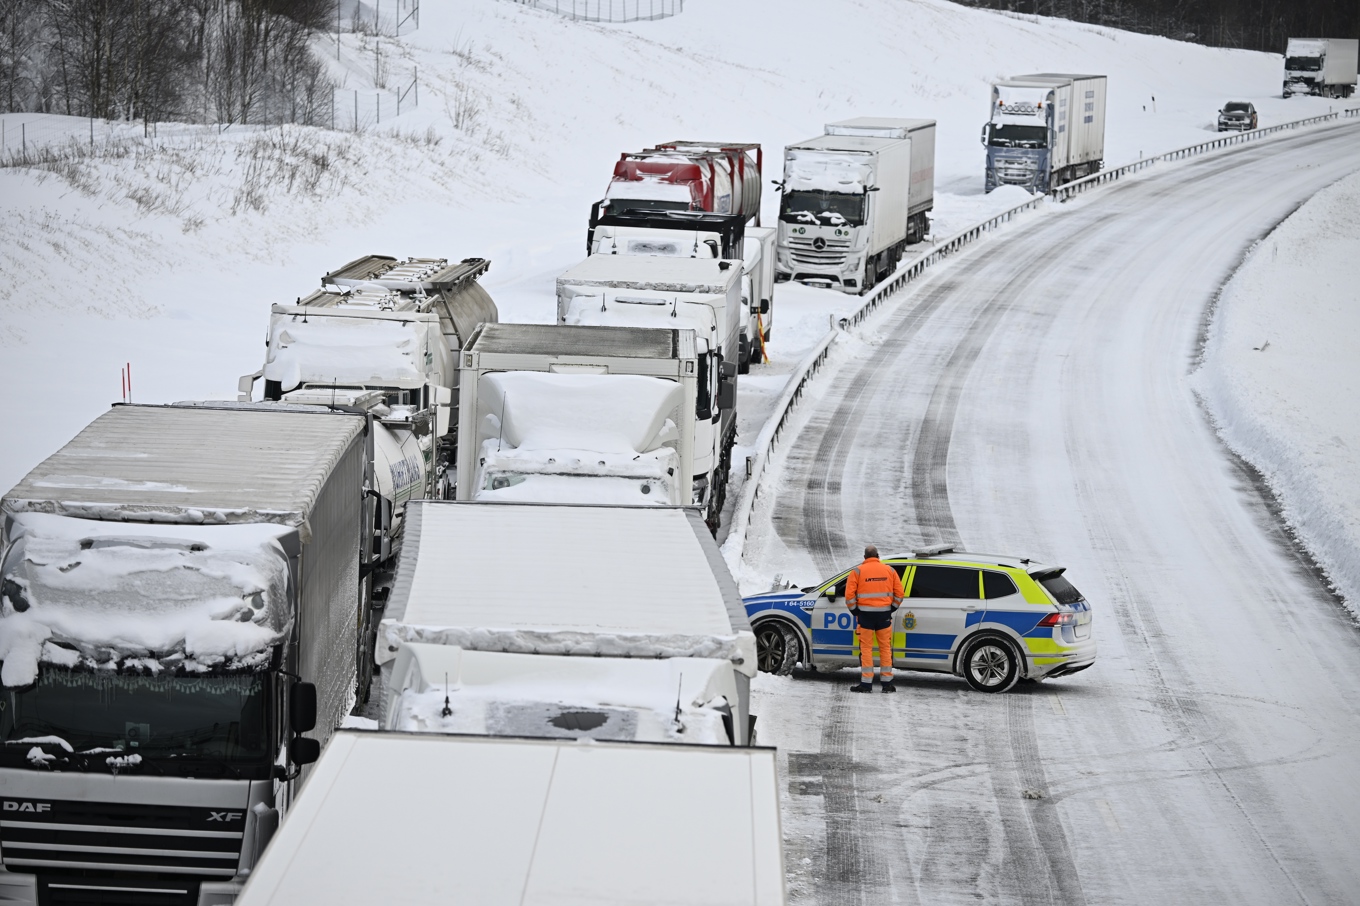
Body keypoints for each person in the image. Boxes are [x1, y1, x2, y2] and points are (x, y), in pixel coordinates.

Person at [845, 545, 903, 693]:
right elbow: (899, 593)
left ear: (865, 558)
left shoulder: (857, 571)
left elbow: (849, 596)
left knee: (866, 649)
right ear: (878, 556)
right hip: (884, 615)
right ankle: (887, 684)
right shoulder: (889, 570)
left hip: (865, 617)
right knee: (885, 648)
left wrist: (855, 611)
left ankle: (866, 684)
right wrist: (892, 608)